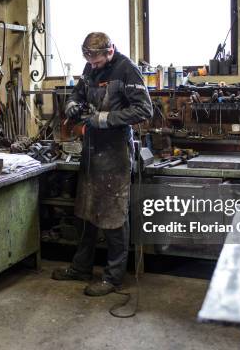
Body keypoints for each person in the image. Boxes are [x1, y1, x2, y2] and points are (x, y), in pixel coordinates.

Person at [51, 32, 153, 296]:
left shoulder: (126, 69)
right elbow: (78, 92)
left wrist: (105, 118)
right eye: (89, 61)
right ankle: (81, 267)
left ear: (110, 51)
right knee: (86, 212)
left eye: (96, 61)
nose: (92, 66)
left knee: (113, 216)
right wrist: (73, 104)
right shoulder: (90, 66)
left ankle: (113, 276)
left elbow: (144, 110)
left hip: (115, 152)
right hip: (91, 151)